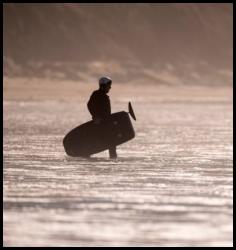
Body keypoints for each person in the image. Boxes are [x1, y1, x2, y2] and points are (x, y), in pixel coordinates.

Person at [87, 76, 117, 159]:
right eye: (109, 85)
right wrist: (95, 117)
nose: (110, 87)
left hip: (106, 123)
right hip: (99, 123)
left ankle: (113, 160)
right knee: (110, 142)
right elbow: (89, 105)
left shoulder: (104, 96)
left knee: (112, 143)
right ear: (103, 86)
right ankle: (113, 159)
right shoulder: (96, 94)